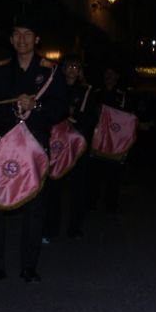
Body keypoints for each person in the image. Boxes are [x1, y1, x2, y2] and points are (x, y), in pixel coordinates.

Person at [0, 16, 68, 283]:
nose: (22, 39)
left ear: (36, 40)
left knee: (35, 207)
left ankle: (28, 266)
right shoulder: (0, 69)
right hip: (3, 144)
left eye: (28, 34)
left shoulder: (50, 71)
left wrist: (36, 106)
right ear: (11, 39)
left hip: (34, 144)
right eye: (17, 34)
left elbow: (61, 109)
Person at [42, 55, 97, 242]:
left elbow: (90, 118)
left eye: (76, 66)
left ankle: (75, 227)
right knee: (53, 186)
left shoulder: (86, 91)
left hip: (76, 144)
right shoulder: (55, 88)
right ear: (63, 68)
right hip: (57, 145)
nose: (73, 69)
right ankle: (50, 229)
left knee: (78, 187)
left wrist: (75, 121)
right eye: (69, 66)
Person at [88, 66, 131, 214]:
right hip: (98, 140)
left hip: (115, 142)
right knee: (94, 174)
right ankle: (92, 203)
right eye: (106, 73)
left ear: (117, 77)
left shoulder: (122, 95)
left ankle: (110, 205)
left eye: (112, 74)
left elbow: (127, 117)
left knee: (114, 175)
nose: (108, 76)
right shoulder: (96, 93)